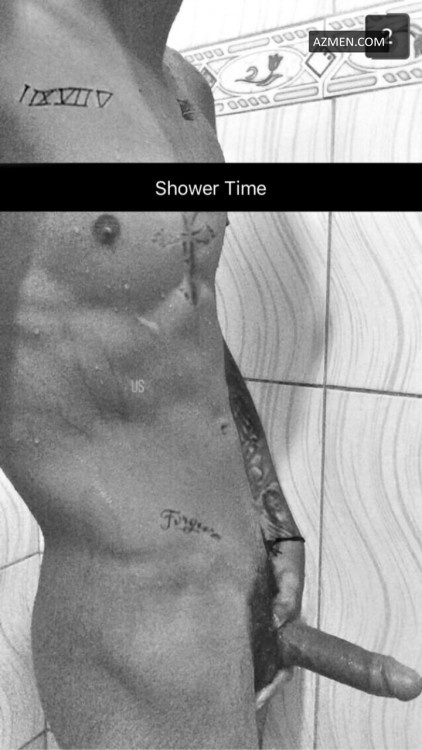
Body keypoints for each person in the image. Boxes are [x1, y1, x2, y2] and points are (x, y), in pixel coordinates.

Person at [0, 3, 420, 749]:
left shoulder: (188, 84)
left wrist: (268, 514)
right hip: (132, 641)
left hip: (239, 604)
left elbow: (183, 319)